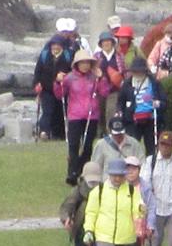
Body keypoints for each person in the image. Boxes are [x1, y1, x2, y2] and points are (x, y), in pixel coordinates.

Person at [84, 158, 143, 246]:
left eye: (120, 175)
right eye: (114, 175)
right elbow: (91, 212)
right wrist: (89, 230)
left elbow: (137, 209)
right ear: (109, 175)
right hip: (104, 234)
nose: (117, 178)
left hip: (126, 235)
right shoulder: (99, 191)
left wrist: (141, 212)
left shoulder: (131, 190)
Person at [55, 50, 110, 185]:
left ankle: (82, 172)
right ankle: (72, 173)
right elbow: (60, 95)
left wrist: (101, 78)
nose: (85, 65)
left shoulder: (94, 77)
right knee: (73, 145)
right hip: (75, 115)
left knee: (87, 146)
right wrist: (58, 82)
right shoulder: (70, 78)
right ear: (77, 64)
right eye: (82, 63)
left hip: (91, 115)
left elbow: (104, 92)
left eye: (87, 62)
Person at [60, 161, 103, 246]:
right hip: (81, 231)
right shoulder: (77, 191)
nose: (93, 184)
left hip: (101, 231)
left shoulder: (105, 191)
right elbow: (66, 207)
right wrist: (67, 219)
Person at [117, 57, 167, 158]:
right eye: (135, 71)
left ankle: (151, 167)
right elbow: (120, 101)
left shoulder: (154, 83)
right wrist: (120, 112)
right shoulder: (127, 84)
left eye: (140, 71)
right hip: (132, 121)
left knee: (152, 148)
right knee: (132, 147)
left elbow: (164, 102)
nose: (137, 73)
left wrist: (158, 104)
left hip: (151, 120)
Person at [124, 155, 156, 246]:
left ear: (139, 170)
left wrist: (150, 225)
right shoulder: (120, 186)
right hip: (122, 230)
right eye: (127, 168)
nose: (130, 171)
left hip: (138, 230)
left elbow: (151, 207)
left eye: (133, 168)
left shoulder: (145, 188)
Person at [33, 34, 72, 140]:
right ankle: (44, 131)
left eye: (57, 45)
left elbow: (72, 72)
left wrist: (64, 78)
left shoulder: (67, 56)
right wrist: (37, 84)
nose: (55, 47)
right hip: (47, 89)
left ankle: (59, 134)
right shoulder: (45, 55)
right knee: (47, 111)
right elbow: (38, 71)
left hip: (61, 89)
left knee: (60, 111)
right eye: (53, 45)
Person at [94, 31, 127, 130]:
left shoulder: (119, 56)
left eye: (108, 41)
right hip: (99, 90)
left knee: (111, 111)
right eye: (104, 42)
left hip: (114, 90)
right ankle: (101, 132)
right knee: (100, 112)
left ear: (112, 43)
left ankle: (110, 132)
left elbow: (125, 71)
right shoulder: (96, 57)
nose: (106, 44)